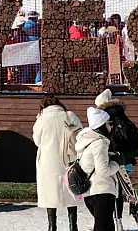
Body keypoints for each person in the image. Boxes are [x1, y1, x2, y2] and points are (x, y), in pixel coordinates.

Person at [33, 96, 82, 231]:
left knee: (50, 194)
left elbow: (37, 141)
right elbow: (80, 135)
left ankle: (52, 226)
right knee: (71, 190)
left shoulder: (42, 119)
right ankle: (73, 225)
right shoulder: (69, 115)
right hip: (69, 158)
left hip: (48, 162)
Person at [95, 89, 138, 231]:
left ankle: (114, 223)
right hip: (126, 160)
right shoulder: (121, 114)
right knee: (121, 192)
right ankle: (119, 221)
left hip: (114, 160)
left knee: (112, 192)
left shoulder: (107, 116)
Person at [75, 107, 124, 231]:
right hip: (102, 190)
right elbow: (103, 171)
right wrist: (117, 163)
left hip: (90, 192)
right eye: (109, 123)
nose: (111, 127)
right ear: (102, 124)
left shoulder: (86, 142)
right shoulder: (99, 143)